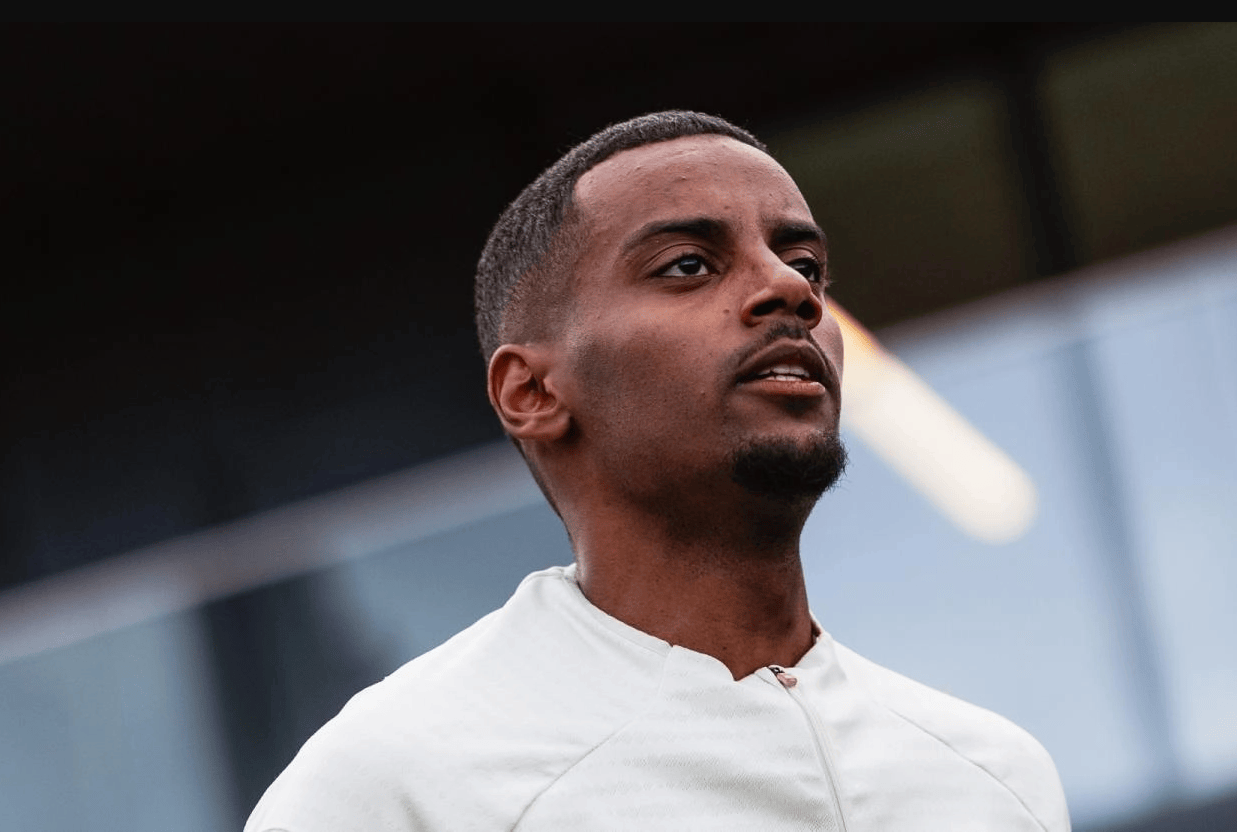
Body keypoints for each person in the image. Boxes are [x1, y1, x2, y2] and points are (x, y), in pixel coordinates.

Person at [246, 111, 1071, 831]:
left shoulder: (995, 779)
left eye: (807, 265)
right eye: (687, 265)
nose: (790, 290)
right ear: (533, 392)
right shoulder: (395, 782)